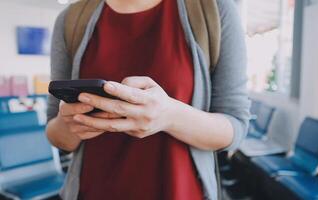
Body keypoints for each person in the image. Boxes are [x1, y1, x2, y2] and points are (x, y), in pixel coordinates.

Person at [46, 0, 250, 199]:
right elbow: (56, 134)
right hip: (93, 190)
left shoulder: (214, 9)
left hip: (180, 191)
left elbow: (235, 127)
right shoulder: (71, 19)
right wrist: (72, 123)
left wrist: (170, 117)